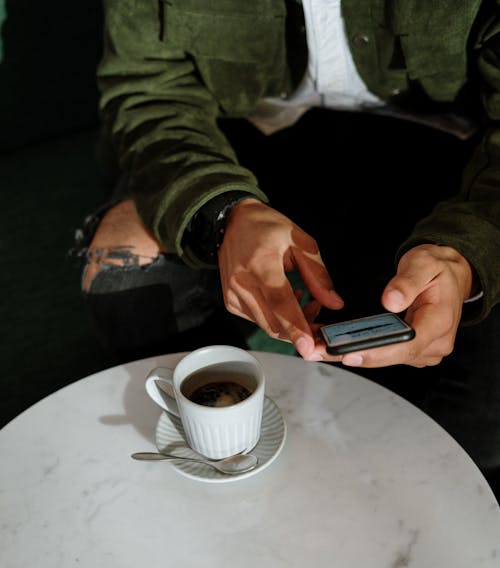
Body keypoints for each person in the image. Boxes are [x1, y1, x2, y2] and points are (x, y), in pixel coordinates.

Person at [72, 0, 500, 499]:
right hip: (234, 138)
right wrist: (222, 210)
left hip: (452, 152)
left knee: (482, 432)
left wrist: (468, 252)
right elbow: (145, 87)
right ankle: (225, 473)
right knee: (125, 269)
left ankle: (408, 522)